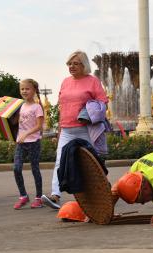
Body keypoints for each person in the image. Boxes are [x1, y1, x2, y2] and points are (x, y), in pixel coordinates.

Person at [42, 50, 108, 209]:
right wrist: (59, 130)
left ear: (84, 65)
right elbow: (62, 107)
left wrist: (90, 112)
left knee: (92, 164)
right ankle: (55, 196)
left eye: (75, 63)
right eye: (69, 64)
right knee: (60, 160)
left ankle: (101, 196)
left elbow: (103, 102)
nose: (71, 66)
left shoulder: (92, 81)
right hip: (67, 129)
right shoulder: (65, 82)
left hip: (86, 129)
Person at [12, 79, 45, 209]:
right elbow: (17, 122)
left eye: (27, 89)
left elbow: (39, 126)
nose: (24, 91)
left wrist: (26, 134)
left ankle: (38, 198)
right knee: (16, 168)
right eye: (22, 89)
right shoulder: (21, 106)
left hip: (33, 142)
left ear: (34, 90)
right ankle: (23, 196)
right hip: (21, 142)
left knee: (35, 169)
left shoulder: (37, 107)